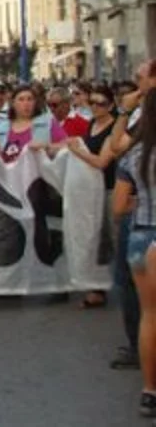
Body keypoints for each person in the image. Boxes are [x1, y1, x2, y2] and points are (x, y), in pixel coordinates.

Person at [112, 90, 156, 418]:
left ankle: (149, 390)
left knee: (150, 316)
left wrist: (140, 204)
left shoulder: (134, 153)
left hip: (141, 237)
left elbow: (119, 206)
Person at [67, 85, 120, 310]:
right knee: (96, 237)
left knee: (114, 237)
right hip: (91, 190)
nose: (97, 108)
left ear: (111, 105)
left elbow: (102, 161)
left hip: (110, 188)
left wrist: (77, 151)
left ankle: (130, 284)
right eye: (93, 103)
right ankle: (97, 288)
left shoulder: (114, 127)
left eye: (102, 104)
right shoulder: (92, 124)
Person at [0, 87, 67, 164]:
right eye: (21, 99)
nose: (26, 103)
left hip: (40, 173)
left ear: (35, 103)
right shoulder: (1, 127)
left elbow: (67, 147)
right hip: (9, 174)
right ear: (13, 103)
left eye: (30, 99)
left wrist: (46, 147)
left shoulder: (48, 122)